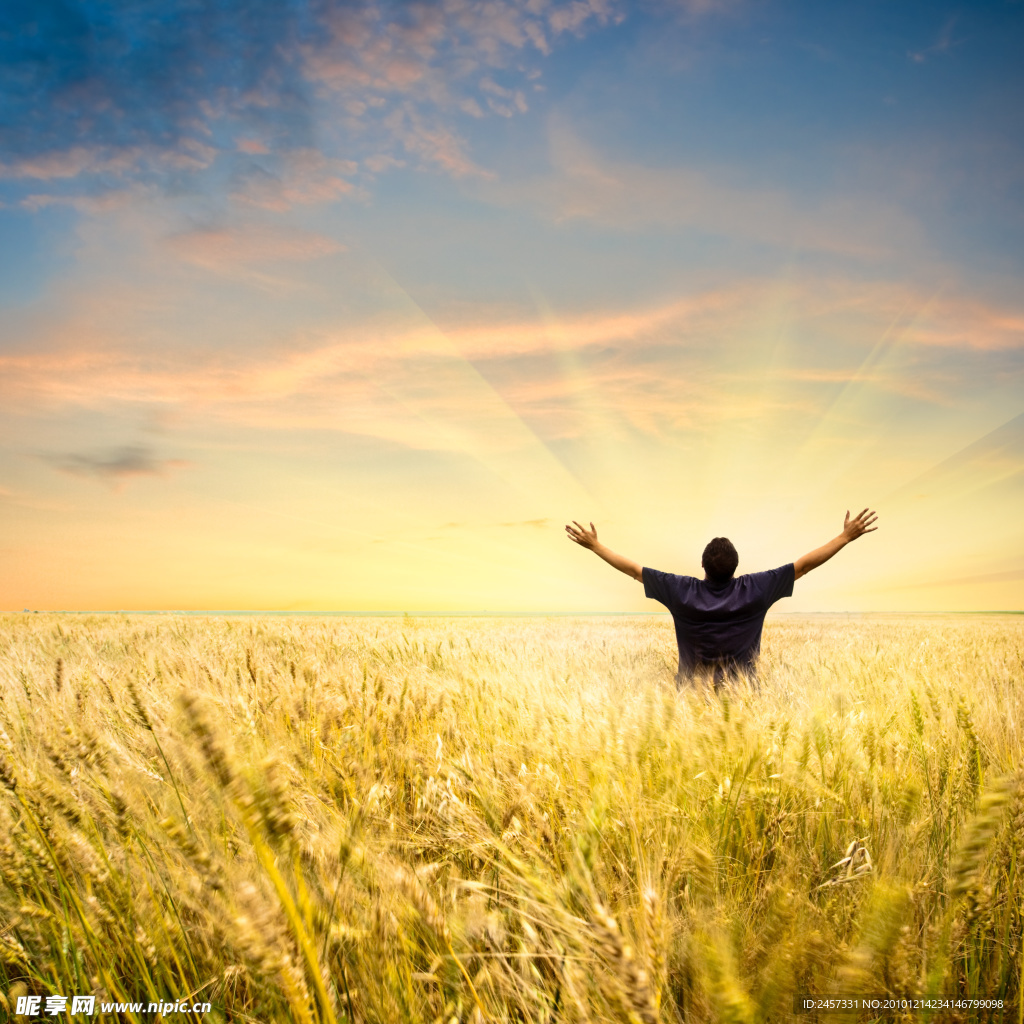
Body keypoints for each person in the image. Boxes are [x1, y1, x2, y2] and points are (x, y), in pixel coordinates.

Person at [565, 510, 878, 688]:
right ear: (736, 568)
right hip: (743, 698)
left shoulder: (680, 590)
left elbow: (633, 570)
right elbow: (804, 565)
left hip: (690, 699)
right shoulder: (757, 589)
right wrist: (845, 536)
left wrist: (595, 545)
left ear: (702, 566)